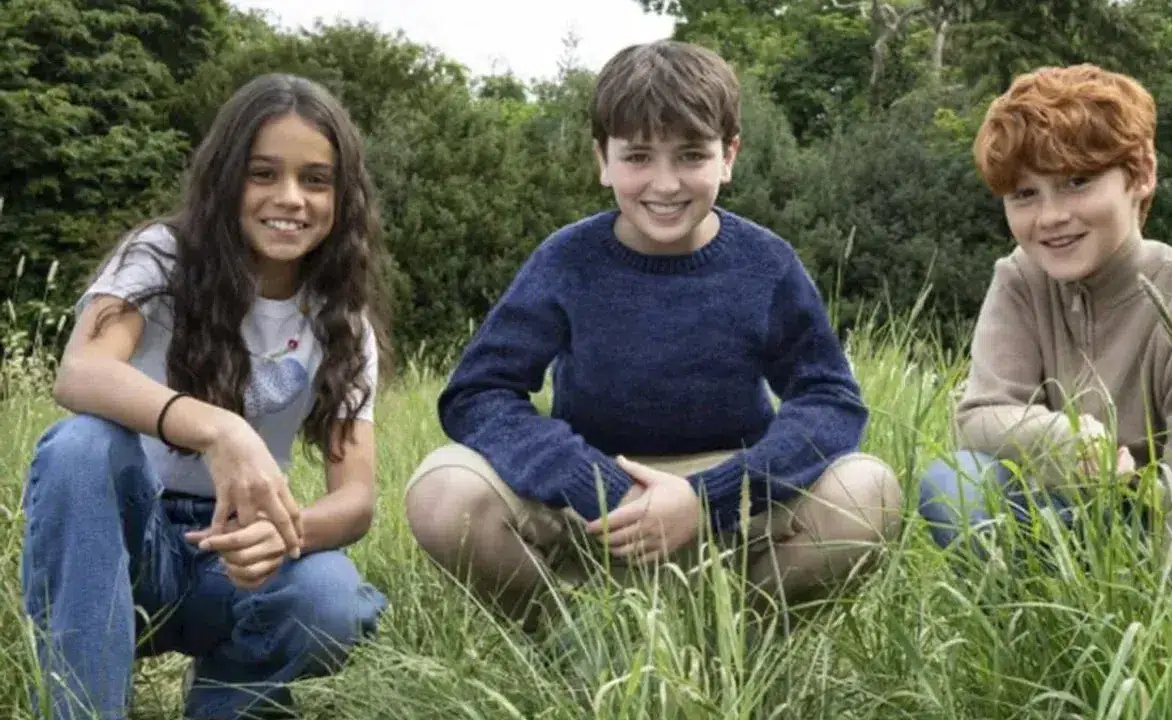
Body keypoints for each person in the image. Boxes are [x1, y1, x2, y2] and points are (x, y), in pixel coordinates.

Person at [404, 40, 902, 631]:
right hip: (590, 508)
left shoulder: (766, 263)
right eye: (638, 156)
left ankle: (733, 638)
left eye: (691, 155)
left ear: (728, 155)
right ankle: (573, 639)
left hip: (729, 508)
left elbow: (829, 399)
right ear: (602, 159)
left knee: (869, 490)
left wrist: (708, 498)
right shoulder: (567, 260)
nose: (665, 184)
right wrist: (596, 483)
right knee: (443, 492)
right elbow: (477, 394)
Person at [21, 73, 391, 720]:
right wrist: (221, 430)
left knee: (330, 595)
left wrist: (287, 534)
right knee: (82, 446)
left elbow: (356, 499)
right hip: (123, 539)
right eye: (263, 174)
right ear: (225, 178)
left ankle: (225, 704)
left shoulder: (342, 322)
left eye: (316, 180)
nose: (290, 198)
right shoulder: (160, 255)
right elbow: (79, 371)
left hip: (237, 554)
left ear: (342, 196)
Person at [917, 64, 1172, 608]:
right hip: (1060, 518)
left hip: (1164, 536)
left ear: (1141, 174)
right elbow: (979, 417)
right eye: (1025, 194)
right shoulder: (1021, 279)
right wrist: (1069, 441)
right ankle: (1029, 635)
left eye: (1077, 182)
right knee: (955, 482)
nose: (1051, 217)